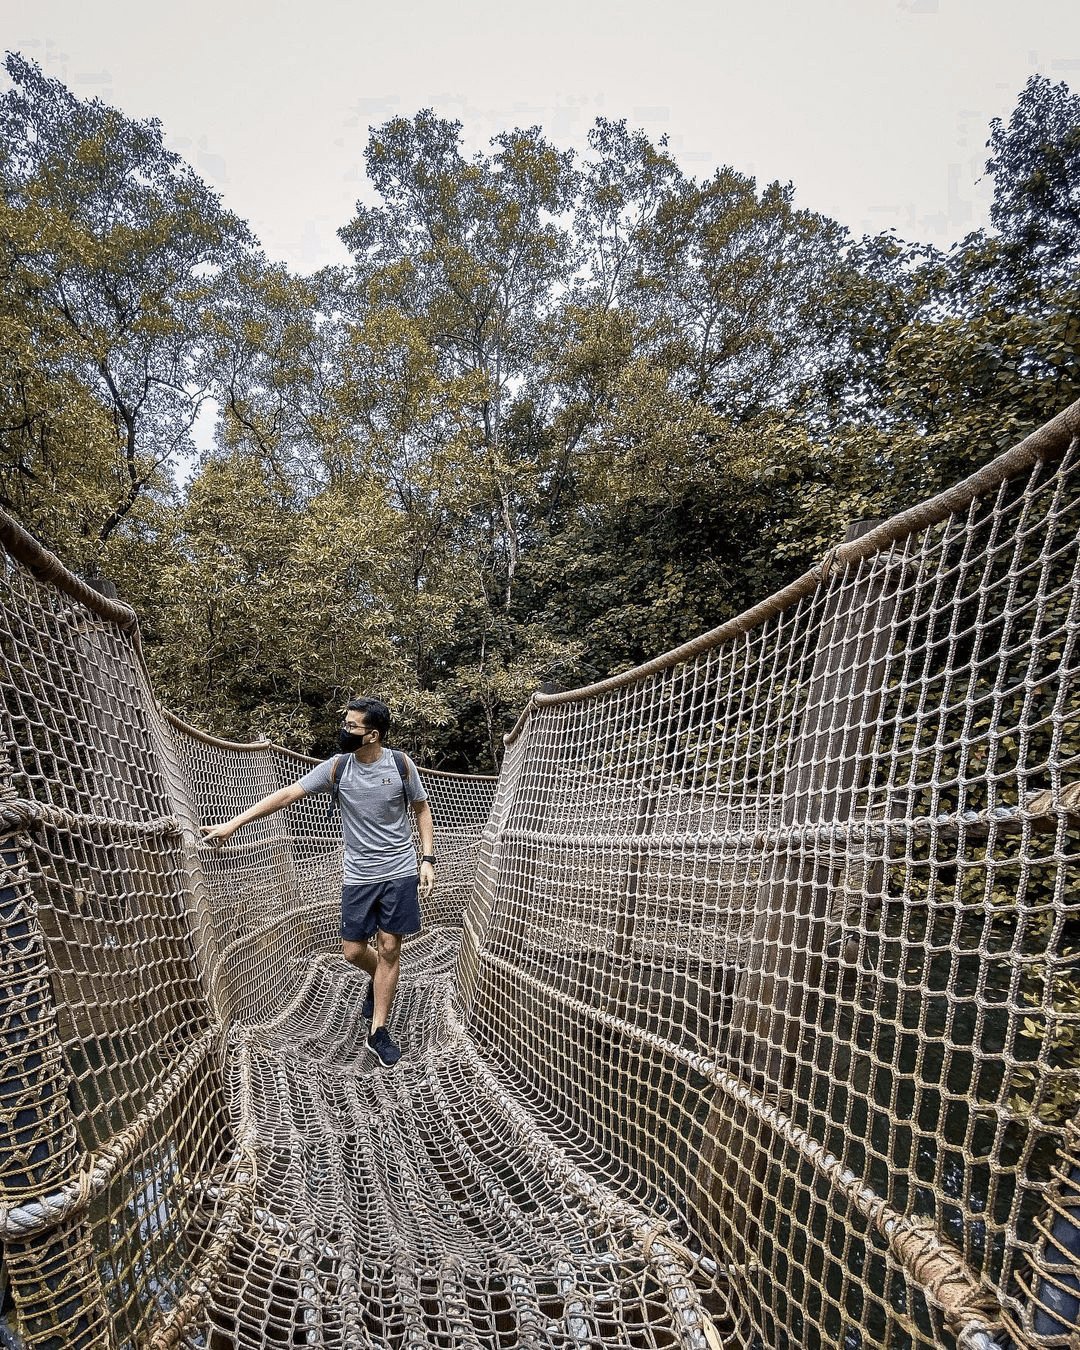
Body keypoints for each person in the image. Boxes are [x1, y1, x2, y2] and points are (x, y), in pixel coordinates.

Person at [200, 697, 436, 1067]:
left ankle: (377, 1031)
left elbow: (421, 810)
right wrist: (234, 823)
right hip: (359, 874)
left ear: (372, 735)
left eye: (352, 726)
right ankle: (382, 982)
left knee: (390, 948)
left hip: (399, 870)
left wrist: (426, 858)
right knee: (353, 952)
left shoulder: (401, 765)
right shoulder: (337, 768)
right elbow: (287, 795)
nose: (344, 730)